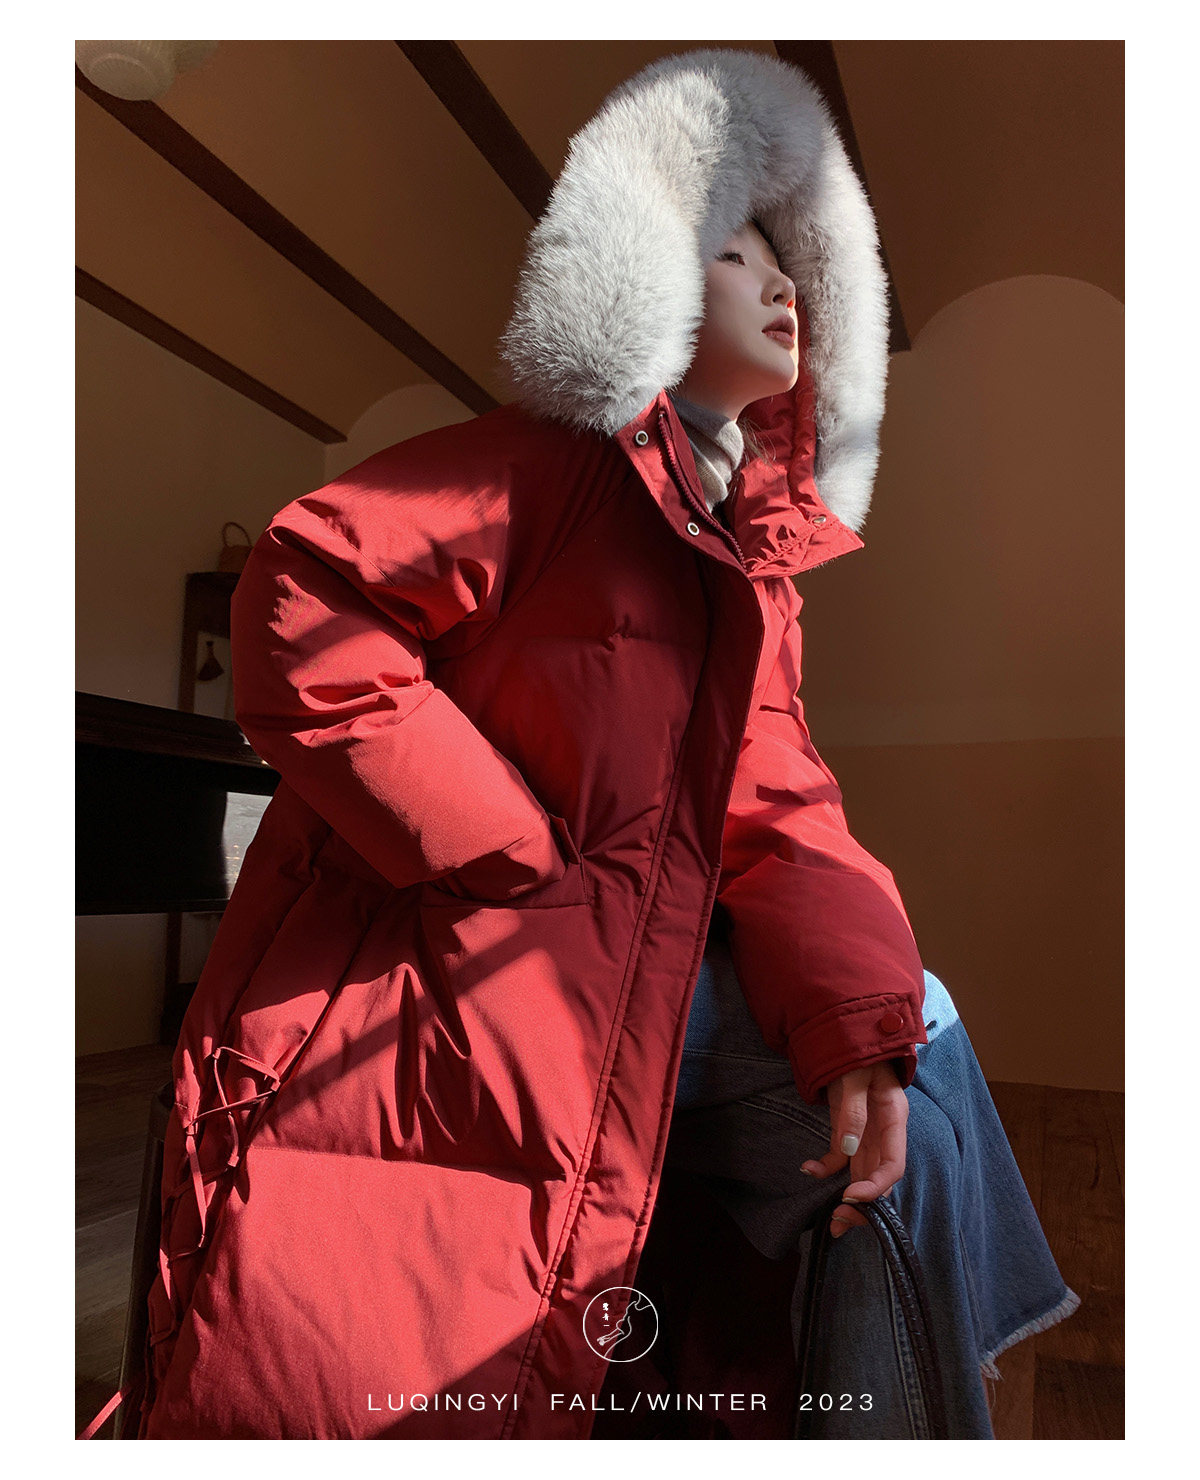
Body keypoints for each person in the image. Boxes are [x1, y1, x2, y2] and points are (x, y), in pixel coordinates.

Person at [128, 49, 1075, 1441]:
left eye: (796, 269)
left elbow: (781, 807)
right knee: (909, 1081)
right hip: (467, 968)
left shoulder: (751, 571)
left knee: (901, 1077)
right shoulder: (549, 467)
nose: (782, 290)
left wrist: (853, 1025)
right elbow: (305, 591)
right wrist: (502, 850)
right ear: (643, 274)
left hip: (634, 966)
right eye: (739, 255)